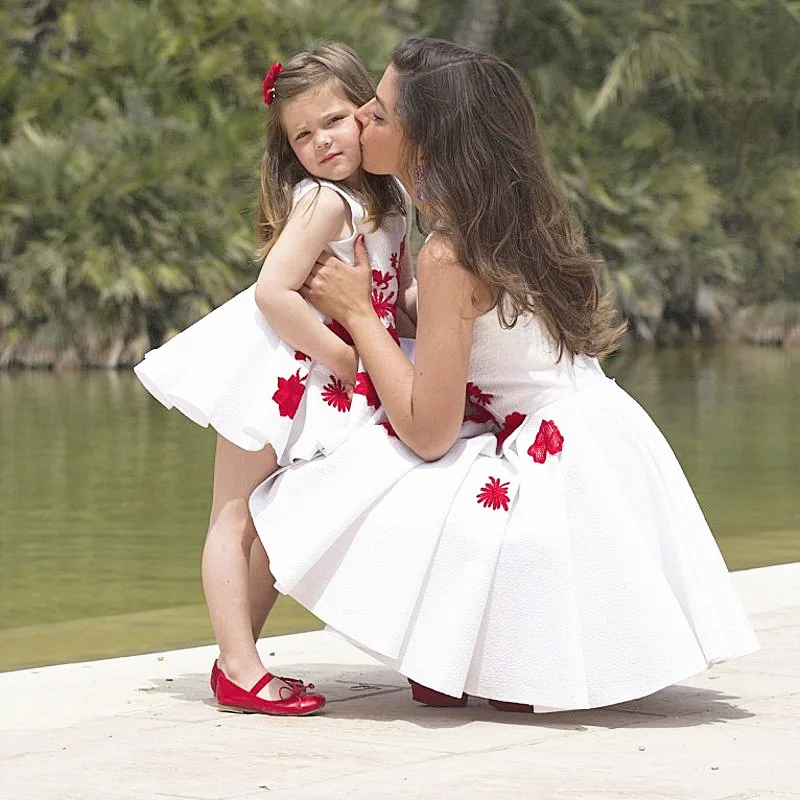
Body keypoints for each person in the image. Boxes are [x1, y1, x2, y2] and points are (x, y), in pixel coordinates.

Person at [248, 37, 759, 713]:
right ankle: (472, 661)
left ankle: (477, 655)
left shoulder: (449, 253)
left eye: (377, 111)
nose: (361, 120)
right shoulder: (510, 213)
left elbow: (429, 431)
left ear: (422, 141)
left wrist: (357, 315)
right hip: (605, 441)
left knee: (328, 480)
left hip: (556, 472)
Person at [134, 43, 416, 716]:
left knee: (285, 518)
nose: (321, 141)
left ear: (366, 112)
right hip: (281, 369)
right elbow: (273, 293)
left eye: (334, 120)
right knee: (234, 518)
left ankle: (242, 659)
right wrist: (350, 362)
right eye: (303, 135)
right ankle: (239, 665)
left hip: (342, 369)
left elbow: (398, 288)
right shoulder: (324, 204)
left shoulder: (395, 194)